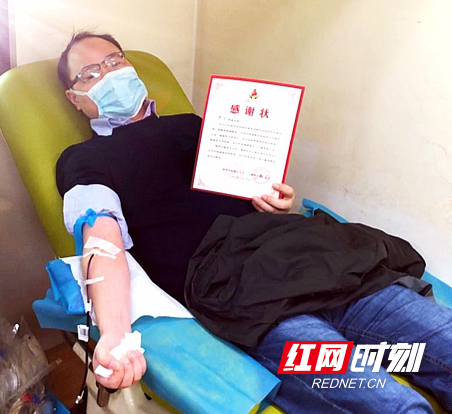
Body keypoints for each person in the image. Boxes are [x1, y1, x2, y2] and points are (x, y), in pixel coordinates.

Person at [56, 32, 452, 413]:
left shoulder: (197, 125)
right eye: (90, 73)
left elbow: (249, 194)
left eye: (114, 61)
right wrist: (115, 334)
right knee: (395, 406)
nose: (109, 74)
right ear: (75, 98)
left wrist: (273, 203)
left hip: (316, 260)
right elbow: (101, 239)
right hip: (244, 297)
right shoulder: (83, 159)